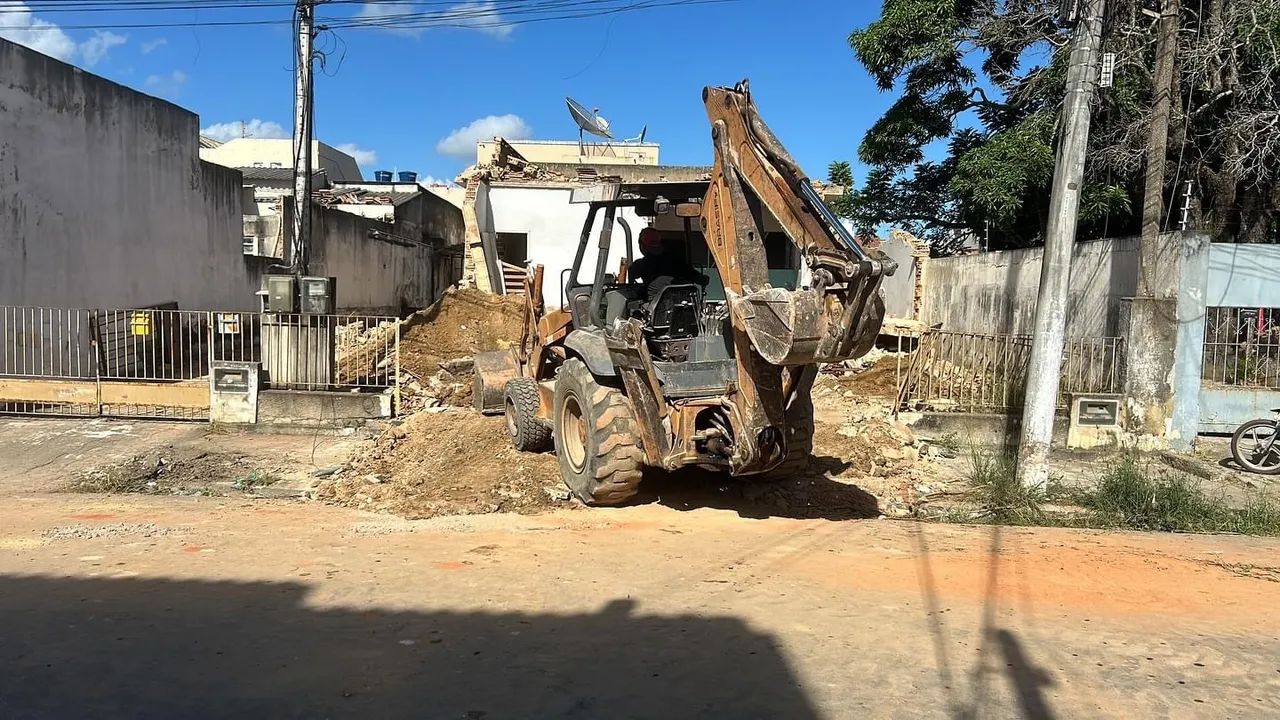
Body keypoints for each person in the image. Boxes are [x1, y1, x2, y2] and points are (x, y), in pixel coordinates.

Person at [629, 227, 705, 302]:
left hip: (654, 309)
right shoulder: (677, 263)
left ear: (643, 246)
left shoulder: (641, 265)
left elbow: (632, 275)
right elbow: (699, 278)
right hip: (683, 306)